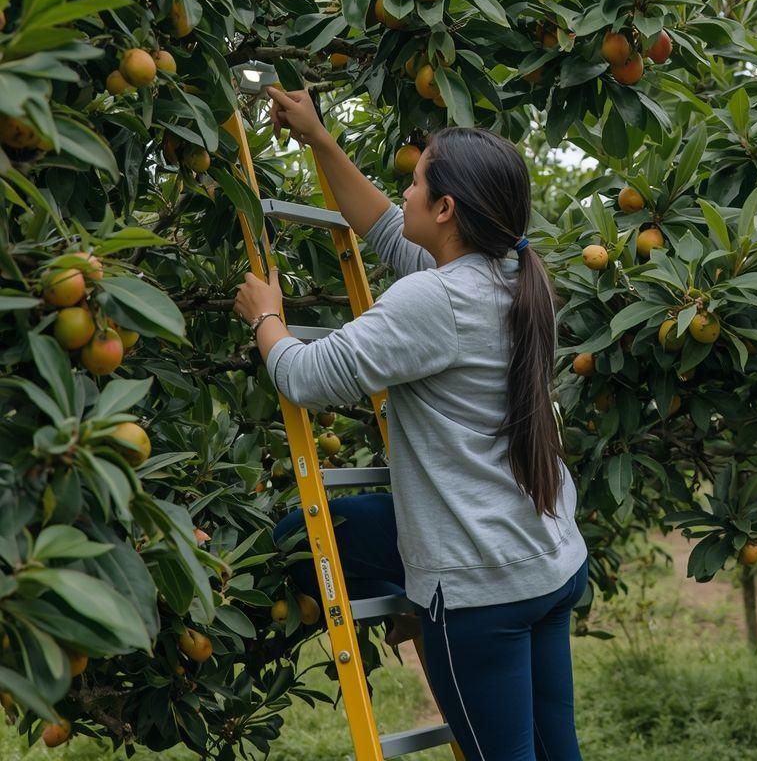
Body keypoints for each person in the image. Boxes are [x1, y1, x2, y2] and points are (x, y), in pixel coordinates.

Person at [233, 86, 589, 761]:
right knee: (555, 750)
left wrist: (265, 316)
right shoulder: (507, 272)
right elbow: (386, 229)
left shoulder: (434, 297)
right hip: (548, 560)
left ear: (447, 209)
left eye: (417, 182)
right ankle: (409, 597)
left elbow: (306, 377)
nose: (407, 193)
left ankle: (413, 603)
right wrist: (320, 138)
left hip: (481, 591)